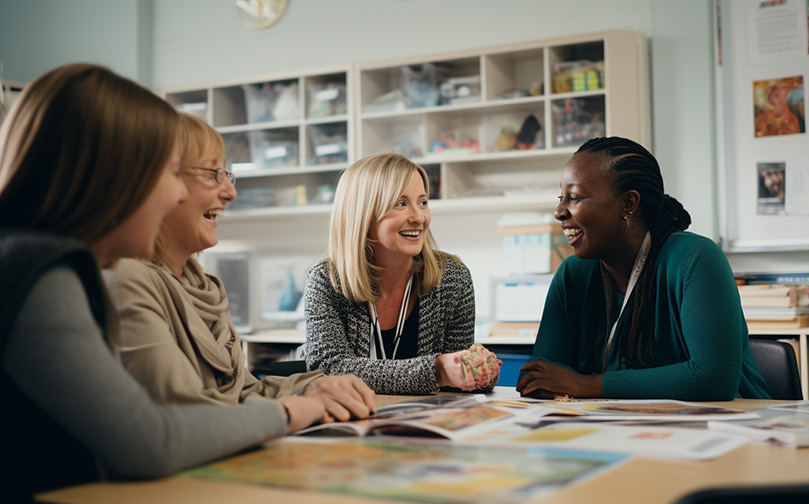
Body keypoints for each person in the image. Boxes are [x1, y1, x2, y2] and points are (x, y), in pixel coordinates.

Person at [0, 64, 326, 500]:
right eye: (171, 173)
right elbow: (148, 441)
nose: (176, 195)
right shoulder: (38, 272)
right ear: (116, 176)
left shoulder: (44, 263)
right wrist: (285, 413)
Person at [105, 112, 375, 420]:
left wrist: (311, 388)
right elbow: (180, 414)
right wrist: (286, 413)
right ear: (156, 182)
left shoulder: (204, 286)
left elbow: (242, 392)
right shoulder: (127, 278)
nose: (231, 193)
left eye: (227, 175)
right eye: (212, 174)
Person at [516, 136, 771, 401]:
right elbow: (538, 377)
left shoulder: (697, 260)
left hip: (731, 427)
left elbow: (713, 378)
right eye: (561, 197)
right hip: (621, 429)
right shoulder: (572, 274)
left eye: (575, 197)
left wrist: (584, 384)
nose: (559, 211)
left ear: (628, 204)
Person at [304, 152, 500, 394]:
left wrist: (478, 371)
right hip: (356, 424)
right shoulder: (326, 280)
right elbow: (328, 368)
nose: (419, 217)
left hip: (426, 425)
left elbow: (457, 381)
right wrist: (435, 371)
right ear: (363, 214)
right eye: (401, 203)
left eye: (423, 202)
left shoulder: (452, 278)